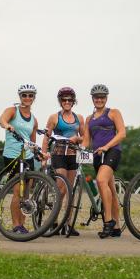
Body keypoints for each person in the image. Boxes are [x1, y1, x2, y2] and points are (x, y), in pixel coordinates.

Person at [82, 84, 126, 238]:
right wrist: (77, 145)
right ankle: (117, 227)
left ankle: (108, 222)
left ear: (106, 98)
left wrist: (106, 147)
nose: (99, 99)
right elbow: (86, 141)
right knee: (111, 190)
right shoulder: (89, 119)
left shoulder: (113, 113)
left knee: (101, 181)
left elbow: (122, 134)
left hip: (112, 151)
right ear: (92, 99)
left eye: (102, 97)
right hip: (96, 155)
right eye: (96, 97)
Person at [42, 87, 84, 236]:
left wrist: (78, 139)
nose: (67, 102)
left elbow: (85, 138)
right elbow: (46, 136)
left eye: (69, 100)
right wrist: (44, 153)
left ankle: (67, 224)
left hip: (73, 154)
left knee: (70, 190)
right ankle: (52, 222)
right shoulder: (54, 117)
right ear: (60, 101)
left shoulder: (79, 118)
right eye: (64, 100)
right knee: (61, 188)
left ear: (73, 101)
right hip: (59, 153)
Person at [0, 84, 38, 234]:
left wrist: (40, 153)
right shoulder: (12, 111)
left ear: (34, 98)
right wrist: (7, 126)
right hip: (13, 155)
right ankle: (16, 225)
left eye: (30, 95)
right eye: (24, 95)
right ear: (20, 97)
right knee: (17, 191)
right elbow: (2, 120)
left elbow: (32, 142)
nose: (27, 98)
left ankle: (22, 224)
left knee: (26, 193)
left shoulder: (34, 120)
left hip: (27, 156)